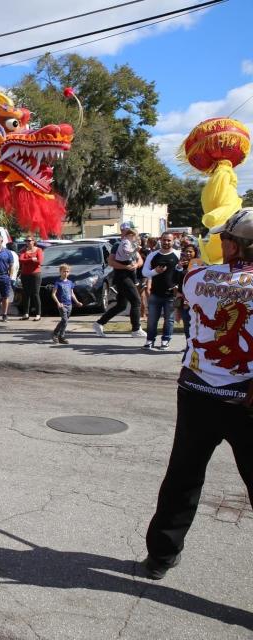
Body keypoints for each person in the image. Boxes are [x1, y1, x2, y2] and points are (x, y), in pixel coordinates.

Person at [141, 208, 253, 580]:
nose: (220, 242)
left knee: (183, 477)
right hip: (243, 395)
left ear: (236, 245)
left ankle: (161, 555)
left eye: (226, 238)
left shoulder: (198, 275)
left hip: (198, 393)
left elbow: (201, 281)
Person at [93, 223, 147, 338]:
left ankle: (99, 323)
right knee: (136, 301)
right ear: (122, 232)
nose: (129, 233)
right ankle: (136, 329)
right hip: (122, 277)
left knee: (121, 305)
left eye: (131, 231)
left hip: (130, 277)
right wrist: (125, 267)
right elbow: (111, 262)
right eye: (127, 231)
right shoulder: (118, 244)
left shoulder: (132, 244)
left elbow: (140, 260)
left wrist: (136, 265)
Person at [141, 232, 180, 350]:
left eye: (169, 240)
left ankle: (165, 340)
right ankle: (150, 340)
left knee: (169, 319)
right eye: (164, 240)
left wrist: (178, 287)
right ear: (160, 240)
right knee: (152, 319)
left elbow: (183, 272)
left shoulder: (178, 255)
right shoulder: (152, 255)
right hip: (155, 293)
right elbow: (144, 272)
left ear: (173, 241)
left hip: (171, 294)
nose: (166, 242)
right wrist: (155, 272)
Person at [51, 265, 83, 344]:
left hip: (69, 304)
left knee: (64, 321)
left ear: (69, 273)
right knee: (64, 320)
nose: (65, 273)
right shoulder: (58, 282)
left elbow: (72, 294)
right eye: (64, 271)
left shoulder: (70, 283)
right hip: (62, 305)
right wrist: (58, 303)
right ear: (60, 272)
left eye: (67, 271)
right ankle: (56, 334)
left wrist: (77, 302)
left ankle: (60, 337)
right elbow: (53, 294)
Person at [173, 245, 199, 342]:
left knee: (197, 323)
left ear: (195, 253)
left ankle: (197, 344)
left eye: (190, 251)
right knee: (187, 322)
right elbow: (174, 280)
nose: (188, 253)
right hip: (184, 299)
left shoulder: (200, 264)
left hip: (196, 299)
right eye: (186, 251)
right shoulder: (180, 265)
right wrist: (179, 267)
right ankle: (189, 345)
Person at [18, 236, 44, 320]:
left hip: (35, 274)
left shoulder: (38, 250)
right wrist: (32, 259)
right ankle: (26, 313)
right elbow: (21, 260)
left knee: (35, 293)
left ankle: (38, 314)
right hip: (25, 274)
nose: (27, 242)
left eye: (29, 241)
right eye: (26, 241)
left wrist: (29, 260)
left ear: (33, 241)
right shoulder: (23, 250)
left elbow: (39, 261)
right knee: (26, 294)